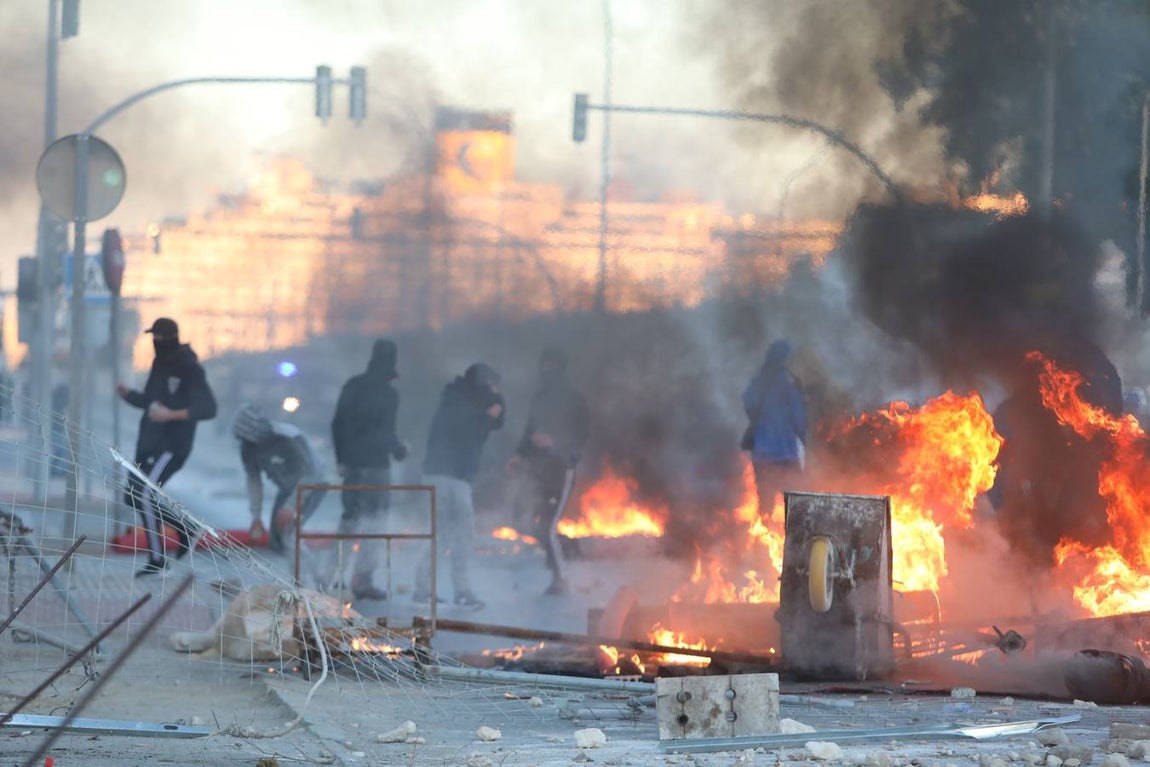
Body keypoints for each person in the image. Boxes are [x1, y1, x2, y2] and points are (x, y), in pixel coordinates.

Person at [116, 317, 217, 576]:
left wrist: (172, 415)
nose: (156, 342)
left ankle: (157, 560)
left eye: (161, 338)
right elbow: (151, 402)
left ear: (172, 337)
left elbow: (208, 408)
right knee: (132, 495)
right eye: (154, 337)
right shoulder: (159, 363)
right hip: (149, 442)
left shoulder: (189, 368)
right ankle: (184, 529)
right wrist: (129, 395)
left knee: (145, 494)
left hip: (172, 445)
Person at [414, 362, 505, 608]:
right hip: (449, 477)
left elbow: (498, 419)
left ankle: (425, 588)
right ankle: (458, 591)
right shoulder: (459, 402)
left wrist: (492, 410)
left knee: (444, 534)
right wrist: (487, 416)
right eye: (492, 386)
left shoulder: (459, 398)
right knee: (458, 535)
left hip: (450, 476)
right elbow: (467, 431)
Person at [330, 338, 409, 601]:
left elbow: (337, 423)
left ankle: (331, 578)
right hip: (377, 467)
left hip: (352, 464)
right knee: (375, 524)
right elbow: (384, 431)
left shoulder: (353, 385)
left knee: (350, 519)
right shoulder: (389, 394)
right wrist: (400, 450)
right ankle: (361, 581)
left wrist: (340, 458)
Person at [507, 347, 590, 596]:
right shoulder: (540, 398)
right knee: (524, 522)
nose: (546, 371)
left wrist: (556, 445)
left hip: (561, 471)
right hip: (538, 473)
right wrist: (519, 454)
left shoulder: (575, 400)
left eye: (551, 366)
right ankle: (562, 552)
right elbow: (530, 432)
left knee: (547, 526)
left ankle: (560, 578)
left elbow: (581, 435)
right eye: (544, 366)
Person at [233, 403, 326, 554]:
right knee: (276, 539)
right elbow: (254, 482)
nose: (247, 445)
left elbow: (309, 474)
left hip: (314, 483)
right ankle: (289, 573)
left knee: (288, 534)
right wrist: (256, 517)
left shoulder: (286, 438)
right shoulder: (248, 448)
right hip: (288, 487)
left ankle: (307, 574)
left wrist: (291, 506)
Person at [742, 339, 806, 520]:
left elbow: (749, 403)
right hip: (786, 455)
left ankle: (763, 541)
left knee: (765, 502)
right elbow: (799, 419)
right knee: (795, 503)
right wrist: (806, 444)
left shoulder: (759, 381)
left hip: (762, 453)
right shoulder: (789, 384)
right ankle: (792, 541)